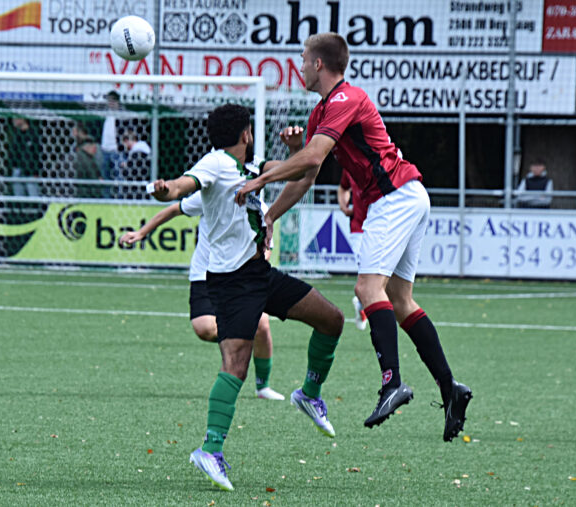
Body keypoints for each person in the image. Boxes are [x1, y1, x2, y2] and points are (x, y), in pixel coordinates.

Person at [236, 32, 472, 442]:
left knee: (368, 290)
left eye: (303, 58)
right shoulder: (321, 114)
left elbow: (309, 159)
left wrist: (263, 177)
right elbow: (306, 174)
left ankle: (391, 383)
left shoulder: (347, 99)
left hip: (394, 198)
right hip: (405, 197)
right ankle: (450, 389)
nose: (299, 65)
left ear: (319, 65)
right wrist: (272, 212)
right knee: (399, 300)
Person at [149, 104, 344, 491]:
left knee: (331, 319)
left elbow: (306, 170)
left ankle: (309, 393)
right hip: (232, 283)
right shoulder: (216, 163)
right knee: (236, 366)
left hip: (259, 275)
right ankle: (210, 450)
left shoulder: (249, 168)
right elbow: (183, 186)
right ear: (246, 133)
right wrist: (165, 188)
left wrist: (294, 150)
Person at [118, 191, 285, 401]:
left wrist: (258, 261)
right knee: (204, 328)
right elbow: (173, 209)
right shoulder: (212, 194)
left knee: (262, 324)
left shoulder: (260, 209)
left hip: (240, 278)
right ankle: (237, 337)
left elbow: (266, 247)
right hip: (205, 274)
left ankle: (263, 387)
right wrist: (142, 233)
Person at [337, 170, 368, 331]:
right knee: (367, 273)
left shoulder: (384, 161)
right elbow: (343, 187)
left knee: (380, 279)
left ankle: (361, 304)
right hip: (358, 229)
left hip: (382, 227)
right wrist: (344, 206)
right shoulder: (350, 166)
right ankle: (364, 306)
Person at [9, 117, 41, 197]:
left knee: (34, 195)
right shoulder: (16, 134)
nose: (14, 120)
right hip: (17, 169)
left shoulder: (33, 134)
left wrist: (36, 171)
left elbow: (37, 153)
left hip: (30, 171)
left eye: (16, 118)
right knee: (18, 196)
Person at [100, 90, 123, 197]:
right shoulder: (105, 115)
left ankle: (120, 197)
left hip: (116, 150)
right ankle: (106, 197)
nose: (110, 103)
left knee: (119, 176)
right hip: (105, 150)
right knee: (105, 177)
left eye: (113, 100)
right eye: (109, 100)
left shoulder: (122, 115)